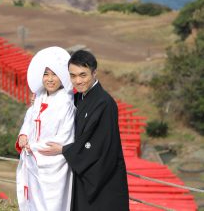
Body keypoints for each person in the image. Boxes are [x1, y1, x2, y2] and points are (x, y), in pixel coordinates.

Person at [39, 50, 129, 210]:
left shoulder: (105, 103)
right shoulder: (78, 98)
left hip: (103, 179)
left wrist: (64, 149)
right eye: (72, 76)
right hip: (85, 174)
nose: (78, 81)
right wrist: (38, 99)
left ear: (94, 73)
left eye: (83, 75)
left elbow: (97, 145)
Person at [16, 46, 75, 211]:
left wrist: (34, 147)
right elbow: (30, 119)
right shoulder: (40, 96)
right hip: (33, 160)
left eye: (54, 74)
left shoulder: (66, 103)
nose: (50, 79)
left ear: (62, 76)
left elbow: (65, 137)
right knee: (33, 202)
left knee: (51, 204)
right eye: (46, 74)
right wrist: (23, 135)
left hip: (53, 166)